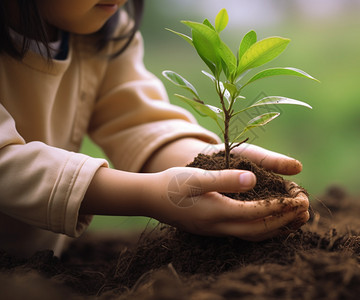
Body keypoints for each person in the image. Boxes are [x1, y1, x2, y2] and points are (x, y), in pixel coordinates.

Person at [0, 0, 309, 258]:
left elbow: (138, 123)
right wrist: (149, 195)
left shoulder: (104, 29)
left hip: (45, 264)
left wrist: (207, 161)